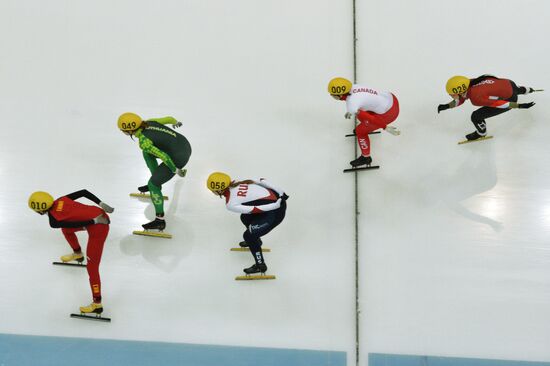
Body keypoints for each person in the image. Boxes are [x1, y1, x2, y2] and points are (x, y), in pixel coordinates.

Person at [28, 190, 114, 315]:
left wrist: (94, 221)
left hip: (99, 225)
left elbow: (75, 223)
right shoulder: (61, 199)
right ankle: (78, 253)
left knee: (92, 268)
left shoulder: (53, 221)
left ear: (39, 210)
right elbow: (84, 192)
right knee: (66, 230)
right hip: (97, 215)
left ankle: (97, 303)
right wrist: (100, 203)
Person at [117, 112, 191, 231]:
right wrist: (176, 123)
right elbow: (169, 118)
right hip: (184, 143)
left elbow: (164, 156)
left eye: (122, 130)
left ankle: (159, 220)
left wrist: (175, 170)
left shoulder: (144, 141)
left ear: (129, 131)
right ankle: (157, 178)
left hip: (178, 156)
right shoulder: (150, 122)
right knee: (147, 153)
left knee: (153, 185)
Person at [206, 172, 288, 274]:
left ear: (219, 190)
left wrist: (276, 205)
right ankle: (256, 240)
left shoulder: (230, 204)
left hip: (275, 211)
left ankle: (260, 265)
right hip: (277, 200)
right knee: (244, 217)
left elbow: (256, 209)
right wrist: (281, 194)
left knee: (248, 236)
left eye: (212, 191)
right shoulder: (238, 183)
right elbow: (262, 180)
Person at [437, 75, 537, 141]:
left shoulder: (476, 98)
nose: (451, 97)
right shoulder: (470, 82)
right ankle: (527, 90)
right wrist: (447, 106)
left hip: (510, 98)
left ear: (460, 91)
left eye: (452, 95)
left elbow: (498, 103)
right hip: (509, 83)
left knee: (476, 116)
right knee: (515, 89)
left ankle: (481, 133)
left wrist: (518, 106)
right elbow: (461, 98)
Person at [328, 77, 401, 167]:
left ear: (339, 95)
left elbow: (371, 119)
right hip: (390, 99)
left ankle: (366, 157)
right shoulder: (354, 87)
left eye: (333, 95)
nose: (332, 96)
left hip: (389, 113)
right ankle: (366, 127)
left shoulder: (352, 102)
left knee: (360, 131)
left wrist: (385, 127)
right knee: (360, 112)